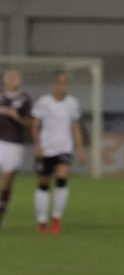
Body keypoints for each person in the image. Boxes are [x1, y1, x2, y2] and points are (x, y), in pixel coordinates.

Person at [31, 71, 85, 235]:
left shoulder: (72, 103)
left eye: (64, 83)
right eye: (59, 83)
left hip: (64, 148)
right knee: (43, 183)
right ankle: (42, 220)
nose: (62, 86)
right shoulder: (43, 102)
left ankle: (56, 218)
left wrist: (80, 149)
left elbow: (75, 127)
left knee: (61, 178)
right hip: (46, 148)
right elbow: (34, 125)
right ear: (53, 85)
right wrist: (38, 145)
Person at [0, 69, 33, 230]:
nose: (14, 79)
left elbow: (29, 123)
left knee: (7, 181)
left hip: (14, 143)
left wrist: (16, 116)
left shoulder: (24, 99)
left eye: (17, 77)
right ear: (5, 80)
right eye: (11, 77)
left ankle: (2, 209)